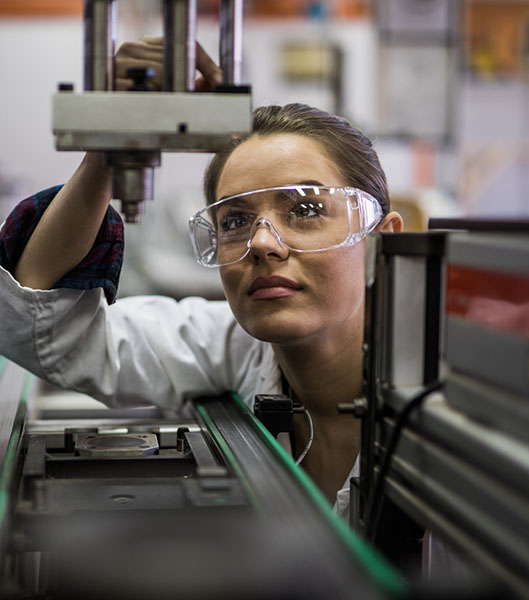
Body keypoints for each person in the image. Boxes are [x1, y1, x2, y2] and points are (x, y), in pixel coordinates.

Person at [0, 37, 402, 514]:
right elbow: (42, 328)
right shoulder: (234, 347)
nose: (262, 243)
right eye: (234, 221)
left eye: (307, 209)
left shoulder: (456, 401)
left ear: (383, 242)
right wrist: (107, 151)